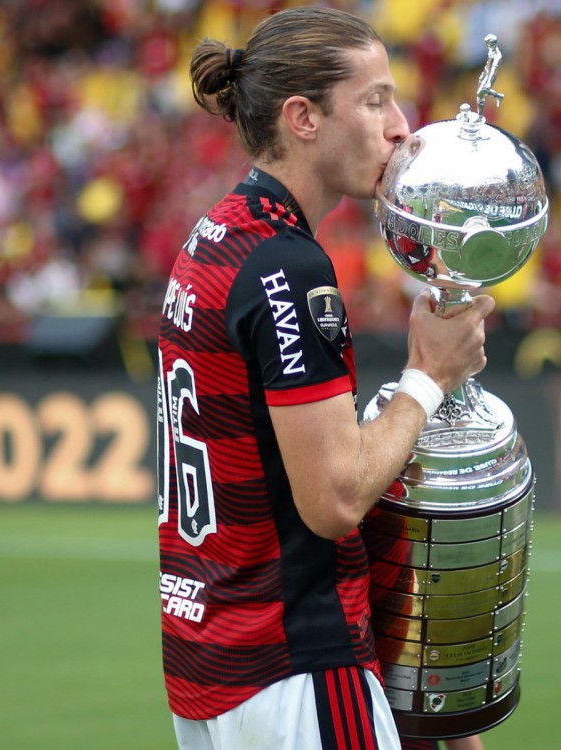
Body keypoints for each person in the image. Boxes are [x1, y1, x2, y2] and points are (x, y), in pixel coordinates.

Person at [155, 7, 494, 750]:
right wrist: (428, 376)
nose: (402, 126)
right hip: (296, 667)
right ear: (303, 117)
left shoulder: (215, 234)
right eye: (375, 100)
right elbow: (335, 496)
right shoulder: (286, 264)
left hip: (212, 666)